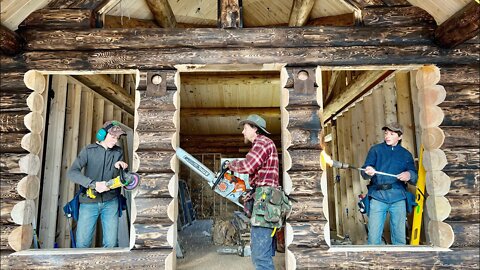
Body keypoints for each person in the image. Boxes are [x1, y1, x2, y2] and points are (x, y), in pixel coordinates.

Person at [227, 114, 280, 270]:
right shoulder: (264, 144)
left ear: (255, 128)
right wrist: (251, 192)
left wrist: (231, 164)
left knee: (260, 257)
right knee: (262, 253)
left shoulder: (262, 142)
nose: (243, 132)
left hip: (265, 203)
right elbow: (261, 177)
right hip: (265, 199)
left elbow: (249, 165)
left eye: (245, 128)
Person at [67, 120, 128, 248]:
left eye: (117, 137)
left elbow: (118, 179)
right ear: (102, 135)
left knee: (111, 244)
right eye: (112, 136)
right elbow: (72, 172)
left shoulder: (118, 152)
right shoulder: (89, 150)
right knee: (82, 244)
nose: (115, 140)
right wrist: (93, 184)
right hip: (89, 202)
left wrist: (121, 169)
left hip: (111, 202)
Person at [361, 122, 418, 245]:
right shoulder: (375, 150)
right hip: (377, 196)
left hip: (398, 197)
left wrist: (409, 175)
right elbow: (364, 172)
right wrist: (368, 170)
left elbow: (414, 176)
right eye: (386, 133)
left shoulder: (406, 154)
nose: (387, 136)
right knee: (373, 237)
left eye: (392, 134)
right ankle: (374, 262)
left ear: (400, 137)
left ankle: (400, 261)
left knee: (399, 238)